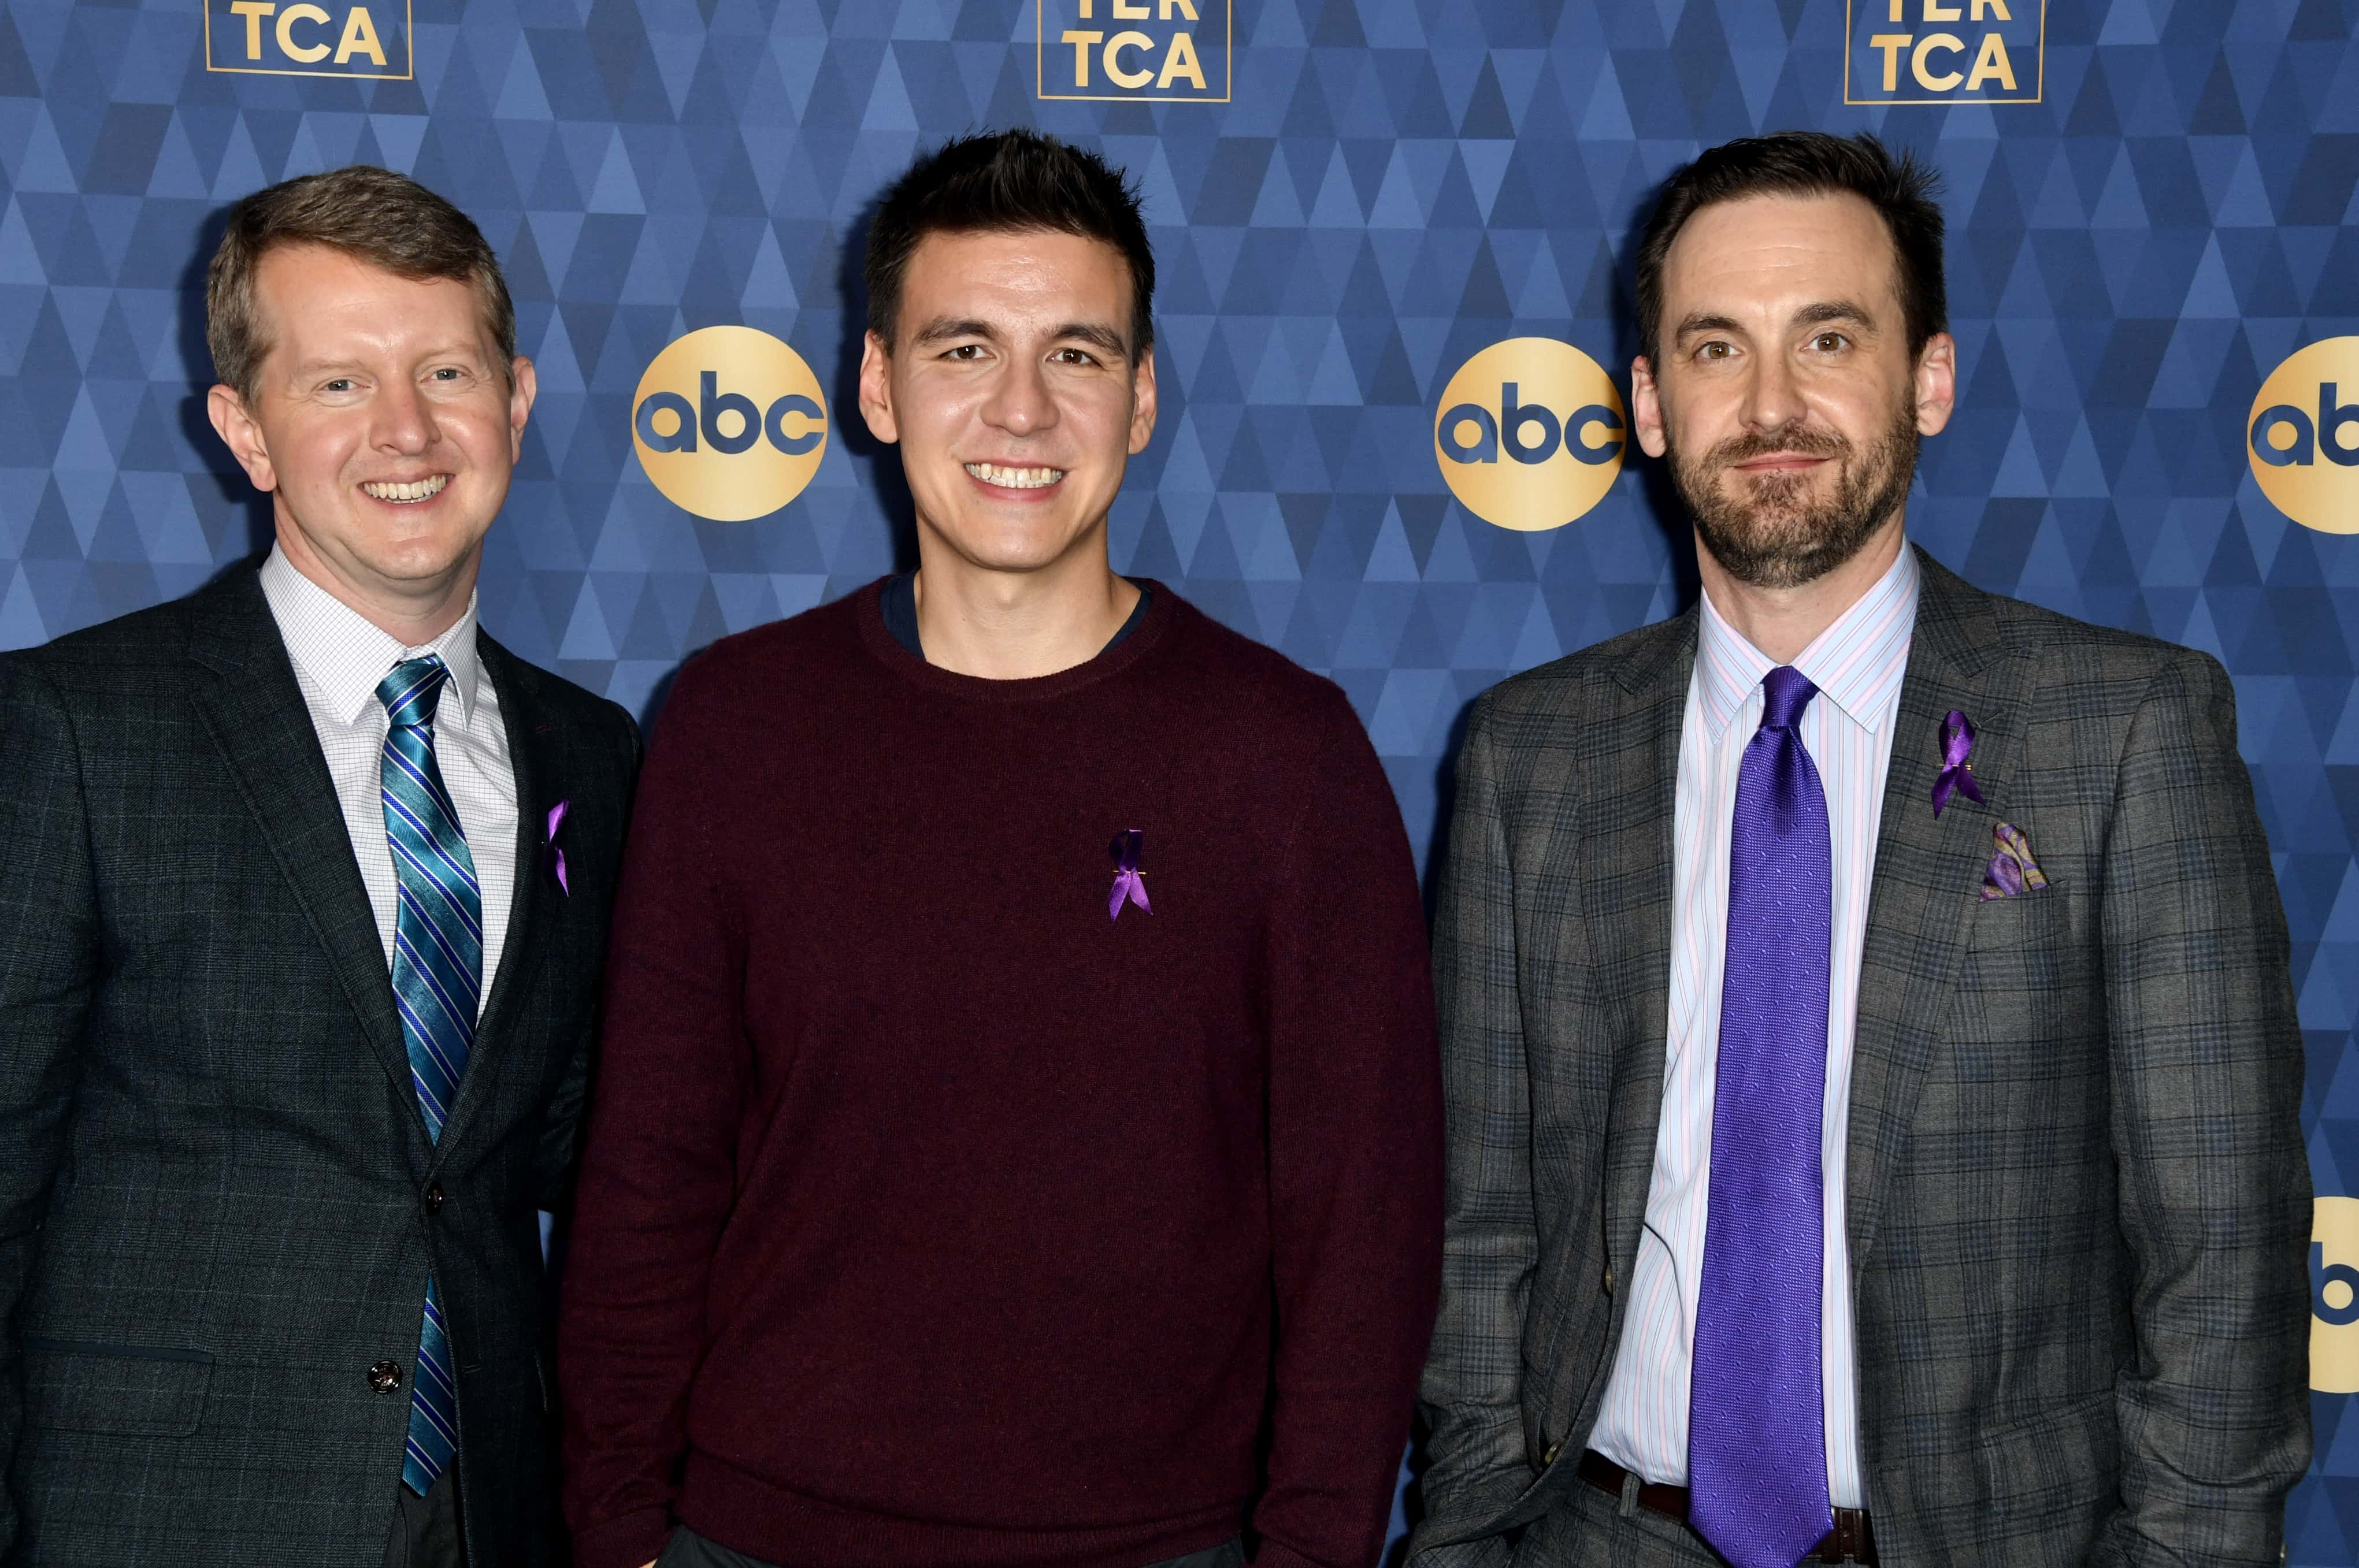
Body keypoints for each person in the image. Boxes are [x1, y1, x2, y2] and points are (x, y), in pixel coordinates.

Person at [1411, 131, 2309, 1568]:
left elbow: (2224, 1266)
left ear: (1928, 377)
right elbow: (1479, 1229)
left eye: (1827, 336)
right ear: (1647, 403)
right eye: (1714, 347)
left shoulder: (2126, 733)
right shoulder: (1533, 754)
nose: (1770, 404)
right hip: (1602, 1537)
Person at [558, 128, 1442, 1568]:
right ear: (875, 385)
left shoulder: (1284, 755)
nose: (1020, 409)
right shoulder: (733, 728)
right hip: (756, 1537)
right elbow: (649, 1175)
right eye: (964, 348)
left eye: (1077, 355)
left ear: (1143, 396)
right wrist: (616, 1532)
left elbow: (1363, 1224)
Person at [0, 165, 640, 1566]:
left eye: (446, 371)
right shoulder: (72, 725)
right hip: (155, 1517)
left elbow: (595, 1148)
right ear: (247, 430)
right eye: (339, 384)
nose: (405, 431)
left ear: (517, 401)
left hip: (491, 1511)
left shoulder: (593, 757)